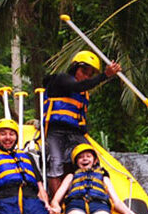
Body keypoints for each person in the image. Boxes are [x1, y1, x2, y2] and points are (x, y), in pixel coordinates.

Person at [42, 50, 121, 197]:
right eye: (84, 71)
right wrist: (105, 75)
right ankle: (57, 203)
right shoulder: (62, 79)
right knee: (56, 162)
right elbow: (78, 86)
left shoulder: (83, 92)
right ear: (75, 68)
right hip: (55, 130)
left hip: (75, 132)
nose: (86, 76)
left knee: (92, 159)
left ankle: (92, 193)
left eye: (90, 74)